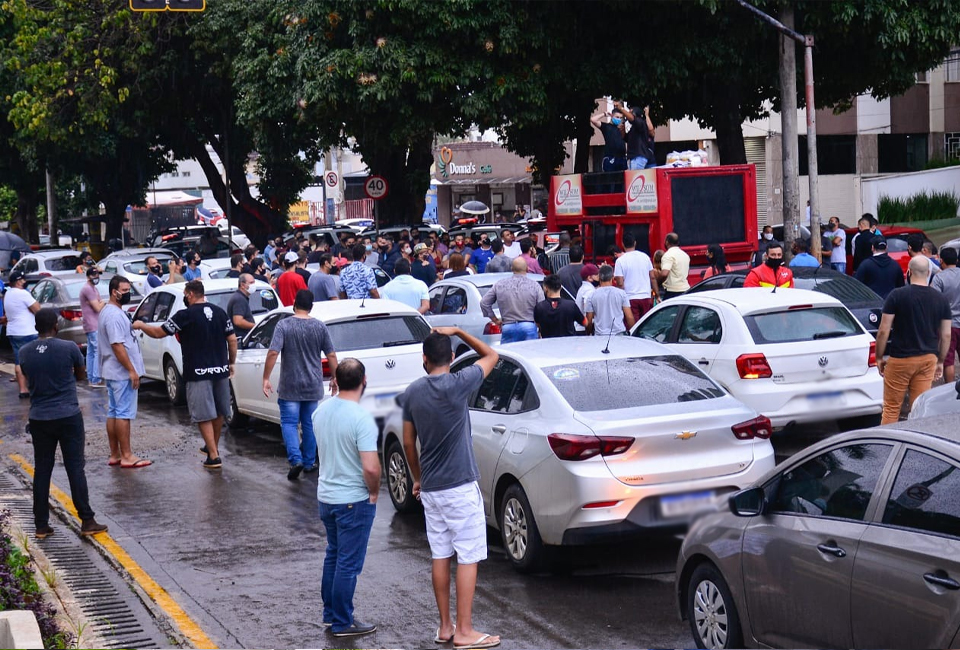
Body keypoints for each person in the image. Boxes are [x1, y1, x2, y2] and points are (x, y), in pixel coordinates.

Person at [401, 327, 501, 650]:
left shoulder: (413, 392)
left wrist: (417, 478)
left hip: (431, 488)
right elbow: (492, 355)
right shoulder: (461, 383)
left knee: (440, 554)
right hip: (459, 484)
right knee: (468, 556)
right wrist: (459, 330)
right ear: (453, 358)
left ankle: (446, 626)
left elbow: (407, 441)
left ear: (424, 360)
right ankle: (465, 630)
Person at [20, 309, 108, 539]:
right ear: (56, 326)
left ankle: (41, 525)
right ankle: (87, 520)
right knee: (75, 467)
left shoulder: (25, 352)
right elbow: (81, 375)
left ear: (36, 327)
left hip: (39, 417)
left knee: (42, 469)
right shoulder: (69, 348)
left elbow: (29, 377)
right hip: (68, 414)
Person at [134, 280, 237, 470]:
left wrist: (141, 325)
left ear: (190, 294)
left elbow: (158, 333)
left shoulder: (185, 315)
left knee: (203, 414)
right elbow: (232, 339)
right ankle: (212, 447)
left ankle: (213, 456)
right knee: (220, 410)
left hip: (197, 372)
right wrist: (231, 362)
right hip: (220, 370)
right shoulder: (220, 312)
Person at [312, 358, 379, 637]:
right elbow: (371, 466)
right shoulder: (361, 417)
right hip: (352, 499)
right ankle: (342, 621)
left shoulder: (321, 409)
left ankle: (331, 613)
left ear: (336, 381)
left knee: (334, 555)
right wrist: (374, 491)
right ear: (364, 380)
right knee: (348, 563)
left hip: (326, 496)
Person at [261, 290, 338, 480]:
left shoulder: (284, 325)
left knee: (289, 423)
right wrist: (335, 377)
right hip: (313, 384)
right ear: (311, 306)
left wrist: (266, 377)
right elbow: (331, 355)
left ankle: (295, 460)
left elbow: (273, 352)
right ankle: (310, 462)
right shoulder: (320, 327)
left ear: (294, 304)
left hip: (290, 384)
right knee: (310, 424)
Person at [875, 256, 952, 424]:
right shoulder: (941, 299)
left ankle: (886, 445)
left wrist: (879, 357)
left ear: (908, 272)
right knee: (919, 409)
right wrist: (940, 361)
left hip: (900, 359)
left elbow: (883, 330)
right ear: (929, 273)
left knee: (891, 408)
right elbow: (946, 335)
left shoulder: (896, 295)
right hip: (928, 359)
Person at [98, 276, 151, 468]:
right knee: (122, 413)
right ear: (114, 292)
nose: (127, 293)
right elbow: (117, 345)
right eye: (125, 290)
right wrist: (131, 370)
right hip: (120, 372)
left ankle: (116, 454)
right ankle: (127, 455)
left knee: (114, 411)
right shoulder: (112, 315)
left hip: (114, 371)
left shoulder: (111, 311)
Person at [480, 257, 544, 343]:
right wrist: (539, 325)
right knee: (529, 353)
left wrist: (495, 320)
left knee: (509, 354)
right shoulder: (535, 285)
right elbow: (541, 307)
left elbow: (484, 303)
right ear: (527, 268)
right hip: (529, 325)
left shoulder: (499, 285)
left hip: (508, 326)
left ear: (511, 269)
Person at [4, 270, 41, 398]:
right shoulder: (23, 294)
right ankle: (36, 387)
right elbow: (38, 310)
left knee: (19, 361)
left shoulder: (8, 294)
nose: (25, 282)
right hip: (27, 331)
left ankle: (23, 390)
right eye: (23, 280)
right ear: (19, 281)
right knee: (35, 359)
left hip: (13, 332)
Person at [931, 246, 960, 383]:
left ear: (941, 261)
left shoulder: (938, 278)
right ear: (957, 260)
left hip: (947, 325)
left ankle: (951, 390)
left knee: (948, 361)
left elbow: (934, 301)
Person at [614, 233, 657, 321]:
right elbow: (652, 277)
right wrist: (657, 294)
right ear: (635, 243)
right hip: (646, 296)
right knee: (646, 326)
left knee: (633, 328)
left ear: (622, 244)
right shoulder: (645, 257)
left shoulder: (620, 261)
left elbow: (620, 284)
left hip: (630, 299)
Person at [586, 264, 634, 337]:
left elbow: (588, 321)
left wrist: (588, 333)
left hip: (600, 336)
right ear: (612, 277)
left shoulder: (591, 295)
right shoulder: (621, 294)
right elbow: (629, 317)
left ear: (599, 278)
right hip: (619, 335)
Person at [79, 266, 105, 388]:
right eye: (93, 275)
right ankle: (95, 379)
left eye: (97, 275)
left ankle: (91, 377)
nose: (96, 277)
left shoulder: (93, 288)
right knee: (96, 351)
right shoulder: (88, 289)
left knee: (91, 352)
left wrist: (98, 302)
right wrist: (103, 302)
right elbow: (98, 307)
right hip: (92, 324)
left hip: (92, 323)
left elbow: (96, 303)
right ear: (88, 276)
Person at [619, 102, 656, 169]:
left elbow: (632, 119)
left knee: (636, 178)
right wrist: (622, 129)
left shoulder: (640, 123)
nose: (627, 114)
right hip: (633, 158)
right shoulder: (633, 128)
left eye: (630, 112)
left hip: (638, 157)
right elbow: (625, 138)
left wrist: (621, 109)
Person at [590, 105, 627, 172]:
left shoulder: (622, 129)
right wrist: (604, 114)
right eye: (617, 117)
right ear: (612, 116)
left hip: (622, 159)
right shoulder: (606, 127)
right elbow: (593, 120)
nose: (619, 119)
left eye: (621, 118)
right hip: (610, 158)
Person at [656, 232, 691, 299]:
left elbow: (664, 274)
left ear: (667, 242)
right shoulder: (685, 255)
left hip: (673, 291)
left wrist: (657, 283)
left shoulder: (668, 255)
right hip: (686, 290)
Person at [227, 274, 257, 340]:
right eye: (251, 283)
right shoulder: (239, 299)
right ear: (242, 285)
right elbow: (238, 321)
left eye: (254, 282)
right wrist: (255, 326)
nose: (254, 285)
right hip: (242, 340)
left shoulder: (241, 298)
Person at [574, 263, 600, 335]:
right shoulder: (589, 290)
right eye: (597, 275)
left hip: (580, 327)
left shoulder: (584, 288)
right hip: (583, 329)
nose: (599, 277)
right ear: (589, 278)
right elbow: (587, 311)